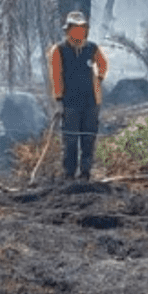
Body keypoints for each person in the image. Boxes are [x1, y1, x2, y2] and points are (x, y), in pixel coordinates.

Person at [48, 11, 109, 180]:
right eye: (75, 28)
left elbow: (103, 65)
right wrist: (59, 101)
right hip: (69, 103)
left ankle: (85, 173)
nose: (78, 32)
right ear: (68, 30)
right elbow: (56, 76)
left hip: (91, 102)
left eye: (82, 28)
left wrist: (99, 79)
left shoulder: (92, 48)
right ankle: (69, 174)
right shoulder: (58, 50)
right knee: (71, 141)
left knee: (89, 139)